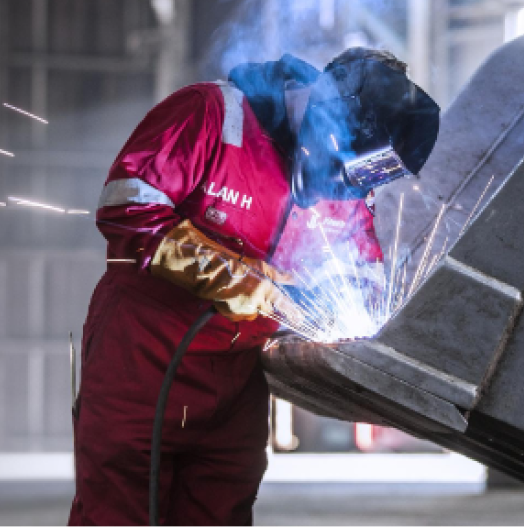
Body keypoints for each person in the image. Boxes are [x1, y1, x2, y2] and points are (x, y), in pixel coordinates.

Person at [67, 48, 439, 527]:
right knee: (120, 514)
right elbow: (129, 211)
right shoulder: (210, 114)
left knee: (221, 511)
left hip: (236, 379)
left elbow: (361, 273)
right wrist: (254, 284)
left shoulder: (338, 181)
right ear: (329, 108)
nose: (335, 192)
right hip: (141, 358)